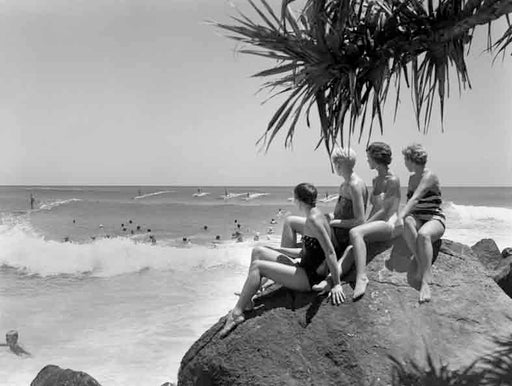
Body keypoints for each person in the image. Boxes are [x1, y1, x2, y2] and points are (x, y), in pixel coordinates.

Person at [219, 183, 344, 338]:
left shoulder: (314, 220)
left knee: (258, 267)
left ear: (298, 200)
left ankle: (237, 313)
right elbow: (308, 251)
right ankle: (249, 299)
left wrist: (336, 283)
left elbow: (330, 251)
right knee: (258, 251)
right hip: (303, 267)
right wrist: (278, 250)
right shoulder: (315, 214)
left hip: (308, 278)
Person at [317, 143, 401, 300]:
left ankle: (362, 277)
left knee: (355, 232)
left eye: (369, 157)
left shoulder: (393, 180)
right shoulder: (376, 180)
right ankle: (330, 280)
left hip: (391, 223)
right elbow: (375, 209)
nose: (367, 161)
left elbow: (386, 211)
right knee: (351, 248)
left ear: (376, 159)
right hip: (378, 223)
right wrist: (366, 225)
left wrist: (364, 225)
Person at [396, 144, 446, 303]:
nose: (404, 162)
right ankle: (419, 261)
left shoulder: (429, 176)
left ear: (412, 160)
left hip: (434, 219)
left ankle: (426, 280)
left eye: (405, 159)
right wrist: (402, 218)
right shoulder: (411, 178)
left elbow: (415, 198)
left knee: (424, 235)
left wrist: (400, 214)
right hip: (417, 218)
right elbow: (411, 204)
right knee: (407, 222)